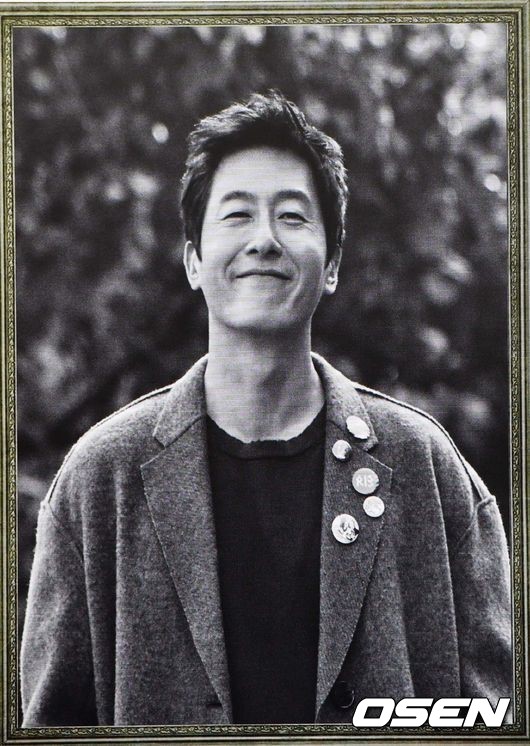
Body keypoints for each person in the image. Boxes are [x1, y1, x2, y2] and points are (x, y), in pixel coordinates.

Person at [21, 91, 512, 727]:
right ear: (194, 260)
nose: (264, 240)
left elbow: (497, 719)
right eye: (237, 215)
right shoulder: (98, 482)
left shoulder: (428, 473)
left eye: (292, 216)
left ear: (331, 265)